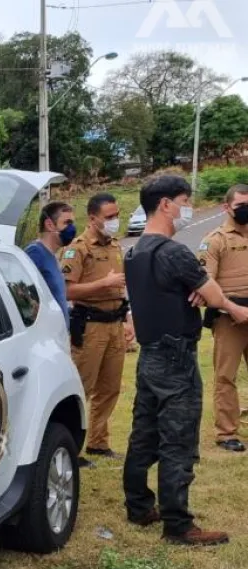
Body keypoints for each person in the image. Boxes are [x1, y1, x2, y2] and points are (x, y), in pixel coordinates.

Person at [122, 174, 248, 546]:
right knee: (178, 440)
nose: (187, 209)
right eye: (184, 201)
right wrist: (229, 307)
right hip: (176, 357)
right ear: (165, 205)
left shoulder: (134, 252)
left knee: (144, 434)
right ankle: (178, 524)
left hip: (150, 355)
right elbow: (212, 293)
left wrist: (201, 292)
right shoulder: (174, 251)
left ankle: (139, 505)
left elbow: (190, 289)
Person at [62, 192, 136, 464]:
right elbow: (67, 290)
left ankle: (98, 442)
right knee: (82, 387)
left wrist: (128, 319)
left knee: (110, 387)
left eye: (117, 215)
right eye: (110, 217)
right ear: (93, 219)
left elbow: (121, 287)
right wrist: (102, 285)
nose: (115, 220)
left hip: (114, 322)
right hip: (90, 325)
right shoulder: (77, 248)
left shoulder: (116, 246)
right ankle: (72, 448)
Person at [197, 183, 248, 453]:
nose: (245, 210)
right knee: (226, 376)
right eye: (241, 206)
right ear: (226, 207)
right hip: (230, 318)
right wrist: (233, 309)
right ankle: (227, 432)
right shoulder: (214, 240)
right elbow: (205, 284)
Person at [24, 201, 75, 330]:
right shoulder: (35, 253)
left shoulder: (52, 256)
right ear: (49, 225)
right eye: (67, 223)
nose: (71, 228)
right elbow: (22, 291)